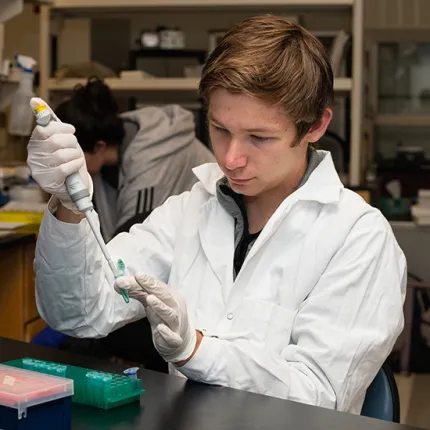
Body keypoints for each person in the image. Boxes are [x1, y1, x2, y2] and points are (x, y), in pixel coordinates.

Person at [28, 15, 406, 414]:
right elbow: (79, 313)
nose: (230, 158)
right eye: (219, 128)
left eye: (259, 137)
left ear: (315, 125)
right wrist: (67, 204)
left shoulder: (358, 238)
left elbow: (317, 400)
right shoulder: (190, 209)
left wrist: (197, 350)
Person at [54, 77, 215, 241]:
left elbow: (131, 242)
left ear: (99, 147)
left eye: (70, 156)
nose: (65, 165)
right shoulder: (113, 147)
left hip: (207, 239)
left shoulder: (151, 164)